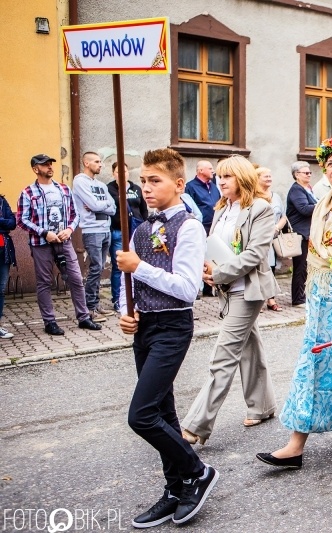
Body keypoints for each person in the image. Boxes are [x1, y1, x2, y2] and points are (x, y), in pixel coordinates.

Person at [256, 136, 332, 470]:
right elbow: (317, 249)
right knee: (312, 364)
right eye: (331, 163)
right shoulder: (323, 202)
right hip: (323, 295)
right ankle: (295, 444)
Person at [116, 148, 218, 528]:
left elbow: (187, 289)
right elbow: (128, 289)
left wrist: (139, 266)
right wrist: (124, 315)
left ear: (178, 184)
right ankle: (176, 487)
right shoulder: (141, 229)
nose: (146, 187)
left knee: (141, 415)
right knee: (162, 410)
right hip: (145, 328)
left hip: (173, 326)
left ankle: (197, 471)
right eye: (143, 180)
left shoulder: (188, 226)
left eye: (154, 180)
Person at [181, 155, 279, 445]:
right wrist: (208, 271)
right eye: (219, 176)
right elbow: (215, 246)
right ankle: (263, 406)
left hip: (248, 291)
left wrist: (220, 273)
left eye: (228, 176)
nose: (221, 181)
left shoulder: (260, 209)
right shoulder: (223, 207)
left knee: (223, 356)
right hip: (228, 288)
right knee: (250, 348)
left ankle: (196, 424)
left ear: (243, 178)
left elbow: (254, 254)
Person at [17, 154, 102, 335]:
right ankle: (50, 322)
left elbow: (75, 214)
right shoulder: (28, 192)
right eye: (44, 164)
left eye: (50, 164)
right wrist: (44, 233)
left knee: (76, 279)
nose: (49, 167)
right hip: (41, 243)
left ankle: (84, 317)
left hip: (64, 241)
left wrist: (70, 229)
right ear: (35, 169)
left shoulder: (63, 189)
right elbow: (21, 220)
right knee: (44, 283)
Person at [72, 151, 117, 322]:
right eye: (97, 161)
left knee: (100, 269)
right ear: (86, 163)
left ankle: (96, 304)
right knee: (95, 268)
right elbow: (92, 204)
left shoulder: (101, 185)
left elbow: (112, 208)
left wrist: (100, 206)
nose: (100, 164)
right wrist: (99, 205)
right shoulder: (80, 181)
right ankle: (89, 307)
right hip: (92, 230)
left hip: (105, 229)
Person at [108, 162, 149, 313]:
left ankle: (138, 295)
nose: (122, 174)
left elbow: (144, 210)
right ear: (113, 173)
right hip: (119, 232)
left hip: (138, 231)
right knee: (119, 266)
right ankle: (117, 299)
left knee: (139, 264)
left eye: (124, 171)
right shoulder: (110, 189)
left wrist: (146, 227)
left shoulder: (136, 189)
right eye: (118, 172)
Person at [186, 160, 220, 297]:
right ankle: (198, 286)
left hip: (214, 224)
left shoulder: (214, 186)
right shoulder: (190, 187)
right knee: (199, 255)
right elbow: (189, 208)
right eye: (210, 168)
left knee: (212, 254)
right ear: (200, 170)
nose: (213, 171)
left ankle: (209, 286)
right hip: (200, 226)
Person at [286, 161, 317, 306]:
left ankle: (304, 295)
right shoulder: (296, 190)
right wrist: (322, 206)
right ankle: (298, 299)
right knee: (300, 267)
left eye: (310, 172)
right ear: (297, 175)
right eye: (306, 173)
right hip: (300, 233)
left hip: (307, 232)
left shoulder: (306, 188)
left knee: (306, 266)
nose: (309, 174)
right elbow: (304, 209)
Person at [257, 166, 287, 312]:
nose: (269, 178)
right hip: (258, 237)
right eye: (265, 176)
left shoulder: (276, 196)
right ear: (257, 179)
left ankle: (271, 299)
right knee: (258, 268)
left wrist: (276, 228)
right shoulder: (253, 195)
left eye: (270, 176)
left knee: (271, 267)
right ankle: (258, 301)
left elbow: (283, 216)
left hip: (272, 236)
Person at [0, 183, 16, 339]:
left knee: (1, 288)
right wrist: (3, 221)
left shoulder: (2, 201)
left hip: (3, 249)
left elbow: (12, 223)